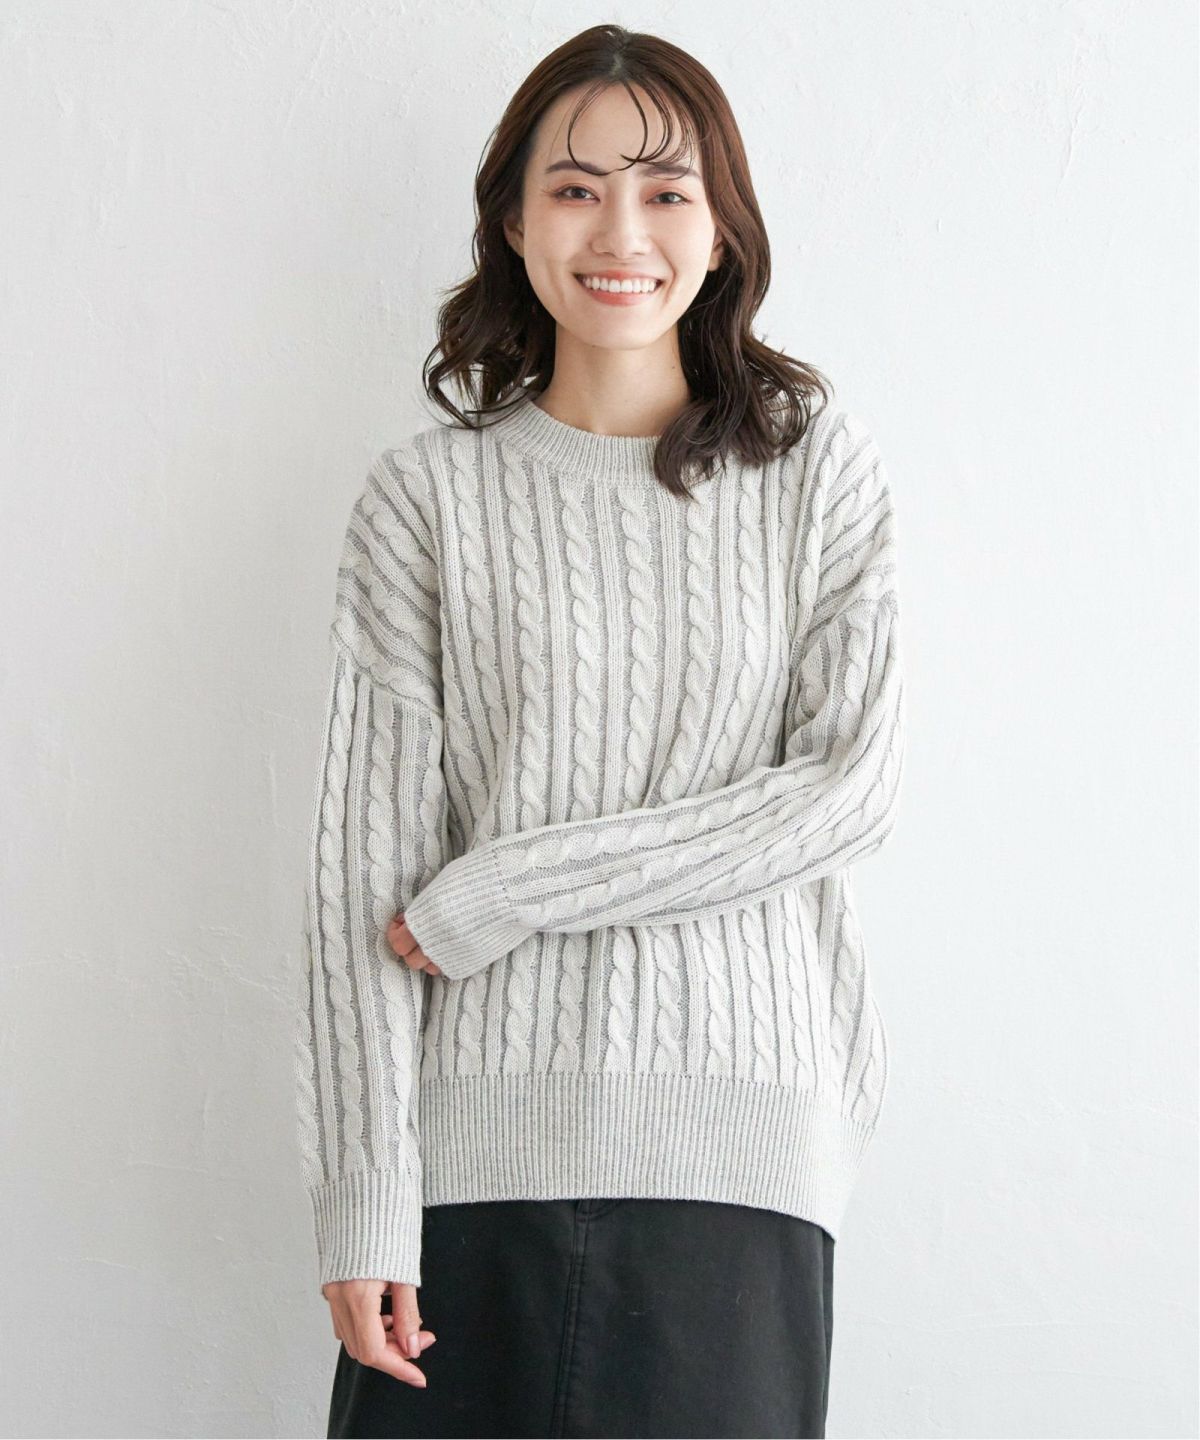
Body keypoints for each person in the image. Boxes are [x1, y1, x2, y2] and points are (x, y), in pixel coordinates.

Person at [294, 23, 906, 1440]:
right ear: (513, 223)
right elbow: (357, 877)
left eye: (665, 191)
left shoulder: (816, 473)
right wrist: (363, 1195)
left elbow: (850, 788)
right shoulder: (424, 501)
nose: (620, 232)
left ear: (721, 227)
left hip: (734, 1158)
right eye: (574, 189)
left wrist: (511, 889)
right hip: (465, 1172)